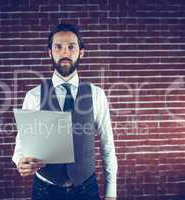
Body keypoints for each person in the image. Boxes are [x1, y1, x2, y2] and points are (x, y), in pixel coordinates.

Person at [12, 23, 117, 200]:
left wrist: (111, 193)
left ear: (81, 52)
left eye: (71, 46)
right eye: (58, 47)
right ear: (50, 52)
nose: (65, 52)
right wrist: (20, 161)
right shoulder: (34, 96)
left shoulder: (96, 94)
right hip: (46, 190)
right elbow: (22, 145)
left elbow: (107, 146)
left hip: (87, 190)